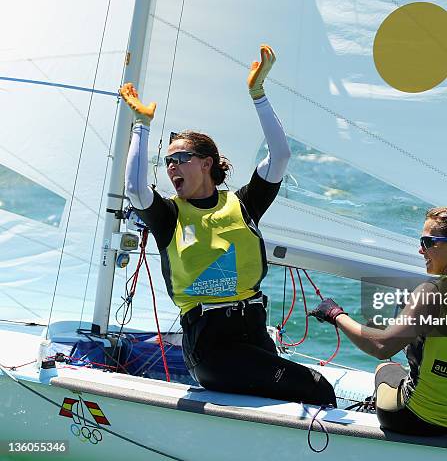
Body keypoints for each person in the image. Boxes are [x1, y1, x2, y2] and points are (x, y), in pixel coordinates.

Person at [120, 45, 336, 407]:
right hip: (211, 348)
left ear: (206, 163)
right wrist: (142, 125)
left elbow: (280, 155)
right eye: (168, 161)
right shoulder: (169, 215)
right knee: (317, 387)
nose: (172, 167)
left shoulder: (244, 203)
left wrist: (259, 94)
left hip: (253, 335)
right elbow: (134, 189)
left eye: (181, 159)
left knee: (301, 396)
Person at [310, 207, 447, 434]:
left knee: (387, 367)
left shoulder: (431, 292)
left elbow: (381, 347)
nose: (421, 250)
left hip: (414, 419)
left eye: (428, 242)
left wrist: (335, 314)